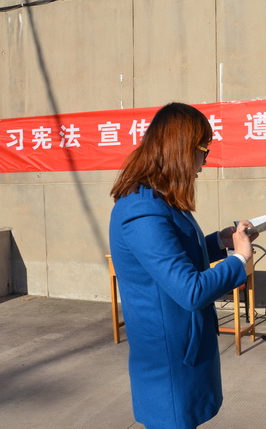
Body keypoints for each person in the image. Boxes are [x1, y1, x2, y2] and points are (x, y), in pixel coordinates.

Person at [109, 102, 256, 429]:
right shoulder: (142, 210)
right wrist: (239, 259)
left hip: (182, 346)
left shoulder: (159, 199)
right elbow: (190, 290)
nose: (205, 161)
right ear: (181, 149)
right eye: (204, 150)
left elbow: (176, 256)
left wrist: (220, 241)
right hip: (169, 359)